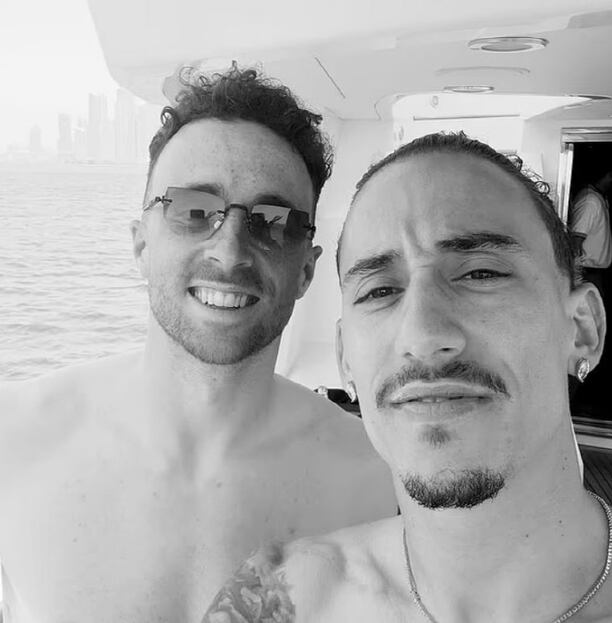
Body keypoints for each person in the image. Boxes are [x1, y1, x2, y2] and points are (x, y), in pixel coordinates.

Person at [0, 66, 396, 623]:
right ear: (141, 243)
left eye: (273, 221)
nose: (230, 252)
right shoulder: (13, 443)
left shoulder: (380, 481)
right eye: (193, 211)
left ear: (306, 270)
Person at [204, 132, 612, 622]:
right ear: (346, 359)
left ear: (582, 328)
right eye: (379, 291)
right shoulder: (275, 601)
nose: (422, 335)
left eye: (480, 273)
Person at [569, 170, 612, 296]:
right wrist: (575, 276)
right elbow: (576, 239)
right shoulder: (590, 201)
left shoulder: (598, 198)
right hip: (586, 272)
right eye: (611, 175)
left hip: (592, 272)